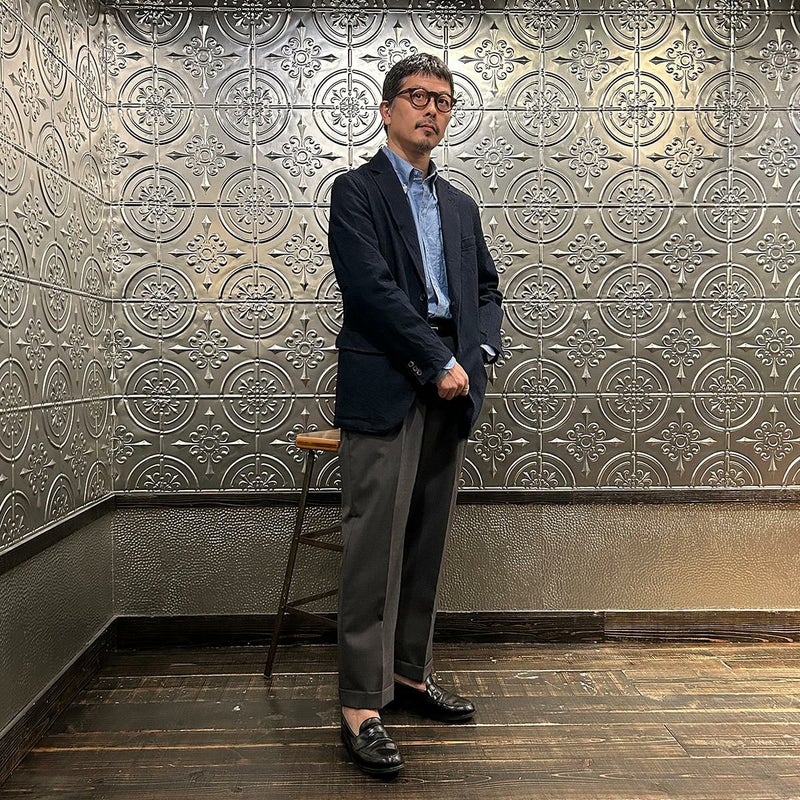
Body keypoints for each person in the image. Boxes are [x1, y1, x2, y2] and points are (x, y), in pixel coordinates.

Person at [328, 53, 504, 777]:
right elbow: (369, 289)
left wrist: (477, 352)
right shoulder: (356, 191)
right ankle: (359, 704)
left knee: (426, 544)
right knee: (374, 549)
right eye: (417, 96)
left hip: (453, 387)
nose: (432, 109)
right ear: (386, 109)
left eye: (444, 100)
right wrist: (435, 361)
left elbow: (486, 289)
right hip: (389, 383)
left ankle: (408, 673)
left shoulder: (459, 205)